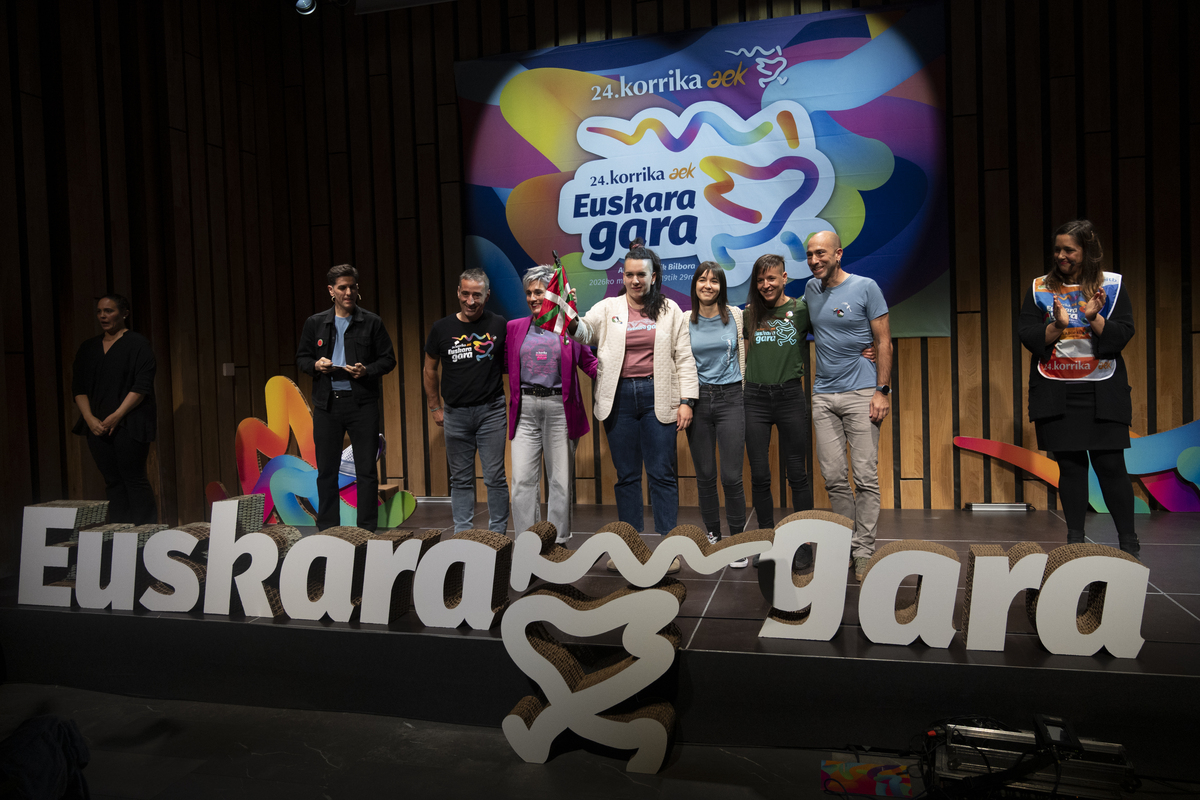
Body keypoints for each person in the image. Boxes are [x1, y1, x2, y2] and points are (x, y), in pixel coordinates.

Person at [1018, 220, 1138, 558]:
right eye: (1058, 249)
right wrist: (1058, 325)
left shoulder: (1111, 285)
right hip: (1057, 391)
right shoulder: (1041, 288)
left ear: (1087, 251)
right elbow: (1027, 334)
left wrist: (1093, 317)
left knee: (1111, 466)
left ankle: (1129, 545)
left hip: (1102, 391)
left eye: (1069, 250)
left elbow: (1123, 334)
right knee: (1070, 467)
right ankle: (1075, 544)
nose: (1061, 255)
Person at [568, 239, 698, 547]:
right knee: (626, 475)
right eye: (629, 274)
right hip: (619, 399)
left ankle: (669, 547)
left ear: (654, 276)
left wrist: (687, 401)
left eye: (641, 274)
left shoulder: (670, 309)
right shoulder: (608, 307)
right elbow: (585, 332)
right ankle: (629, 547)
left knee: (661, 473)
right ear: (623, 276)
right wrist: (570, 317)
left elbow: (684, 357)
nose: (635, 280)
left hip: (659, 395)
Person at [804, 231, 892, 582]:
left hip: (862, 394)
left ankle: (864, 551)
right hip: (823, 396)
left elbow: (883, 341)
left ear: (838, 254)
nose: (814, 260)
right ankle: (845, 545)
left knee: (865, 477)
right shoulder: (811, 290)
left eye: (820, 253)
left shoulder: (866, 287)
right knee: (834, 477)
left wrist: (882, 391)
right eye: (809, 254)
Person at [296, 264, 396, 531]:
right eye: (342, 288)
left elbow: (388, 359)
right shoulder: (315, 322)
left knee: (366, 471)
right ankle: (329, 530)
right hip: (327, 404)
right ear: (331, 290)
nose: (348, 292)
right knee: (327, 471)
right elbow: (302, 358)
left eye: (352, 287)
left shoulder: (372, 322)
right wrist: (316, 365)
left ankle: (366, 531)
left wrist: (367, 370)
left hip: (362, 404)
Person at [507, 265, 599, 545]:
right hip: (525, 410)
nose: (532, 298)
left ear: (553, 294)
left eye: (539, 292)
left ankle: (558, 542)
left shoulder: (568, 328)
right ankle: (527, 542)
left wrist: (625, 373)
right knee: (521, 481)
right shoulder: (514, 328)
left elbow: (590, 364)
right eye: (529, 293)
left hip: (560, 409)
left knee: (559, 481)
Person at [424, 268, 509, 534]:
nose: (470, 301)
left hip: (491, 413)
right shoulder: (441, 328)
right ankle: (462, 535)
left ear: (487, 296)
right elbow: (429, 369)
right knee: (460, 479)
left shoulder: (499, 324)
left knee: (495, 477)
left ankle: (498, 535)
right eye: (466, 294)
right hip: (455, 414)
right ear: (458, 292)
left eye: (477, 295)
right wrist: (435, 407)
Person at [743, 254, 813, 566]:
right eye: (760, 280)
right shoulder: (750, 314)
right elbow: (743, 354)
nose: (766, 285)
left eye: (771, 278)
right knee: (759, 475)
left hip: (790, 397)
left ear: (784, 278)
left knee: (797, 474)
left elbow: (834, 332)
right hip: (755, 399)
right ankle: (766, 540)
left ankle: (803, 543)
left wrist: (864, 348)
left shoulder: (801, 310)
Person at [72, 294, 158, 524]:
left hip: (129, 422)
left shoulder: (138, 344)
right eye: (99, 311)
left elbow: (141, 386)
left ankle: (145, 534)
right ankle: (120, 533)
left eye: (109, 311)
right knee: (112, 481)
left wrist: (118, 415)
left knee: (134, 478)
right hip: (97, 425)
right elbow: (78, 388)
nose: (103, 316)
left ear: (124, 314)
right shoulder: (88, 347)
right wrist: (89, 418)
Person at [686, 263, 749, 567]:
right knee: (706, 476)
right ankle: (713, 535)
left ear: (722, 287)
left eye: (714, 281)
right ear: (695, 285)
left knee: (732, 477)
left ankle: (737, 541)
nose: (708, 285)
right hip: (698, 401)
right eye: (702, 280)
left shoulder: (736, 315)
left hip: (731, 398)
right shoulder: (684, 320)